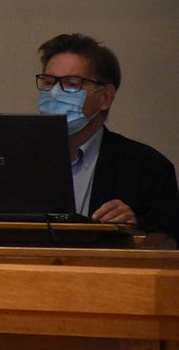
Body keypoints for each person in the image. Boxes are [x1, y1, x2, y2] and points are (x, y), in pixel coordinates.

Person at [36, 33, 178, 239]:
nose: (55, 94)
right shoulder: (18, 159)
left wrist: (134, 229)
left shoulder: (147, 167)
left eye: (72, 84)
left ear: (105, 97)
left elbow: (168, 241)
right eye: (49, 83)